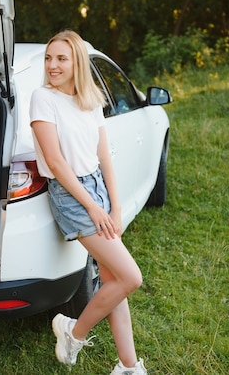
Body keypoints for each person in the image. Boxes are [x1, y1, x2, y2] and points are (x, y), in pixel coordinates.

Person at [29, 30, 147, 375]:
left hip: (96, 188)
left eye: (61, 58)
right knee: (130, 277)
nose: (53, 65)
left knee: (114, 281)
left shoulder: (89, 99)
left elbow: (104, 158)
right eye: (49, 58)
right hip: (70, 195)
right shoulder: (43, 98)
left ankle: (129, 367)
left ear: (77, 62)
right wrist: (93, 207)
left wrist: (115, 206)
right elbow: (55, 161)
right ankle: (72, 330)